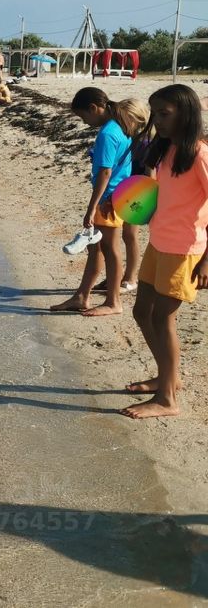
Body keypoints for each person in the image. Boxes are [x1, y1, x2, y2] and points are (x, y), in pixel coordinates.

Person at [122, 85, 208, 419]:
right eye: (155, 113)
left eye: (164, 114)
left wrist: (206, 261)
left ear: (186, 114)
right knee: (141, 311)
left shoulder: (199, 154)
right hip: (159, 243)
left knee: (162, 317)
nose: (157, 120)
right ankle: (167, 377)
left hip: (184, 250)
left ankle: (167, 399)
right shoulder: (167, 148)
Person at [50, 88, 135, 317]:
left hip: (109, 198)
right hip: (117, 194)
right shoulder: (120, 125)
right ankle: (81, 296)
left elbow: (106, 173)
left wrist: (91, 207)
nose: (84, 122)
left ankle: (114, 302)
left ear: (93, 108)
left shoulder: (108, 133)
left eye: (82, 116)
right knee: (95, 247)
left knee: (109, 248)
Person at [93, 99, 151, 295]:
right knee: (115, 236)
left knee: (130, 234)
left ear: (137, 119)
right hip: (122, 189)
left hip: (138, 191)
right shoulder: (124, 135)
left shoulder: (146, 143)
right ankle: (114, 276)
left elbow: (150, 173)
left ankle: (131, 277)